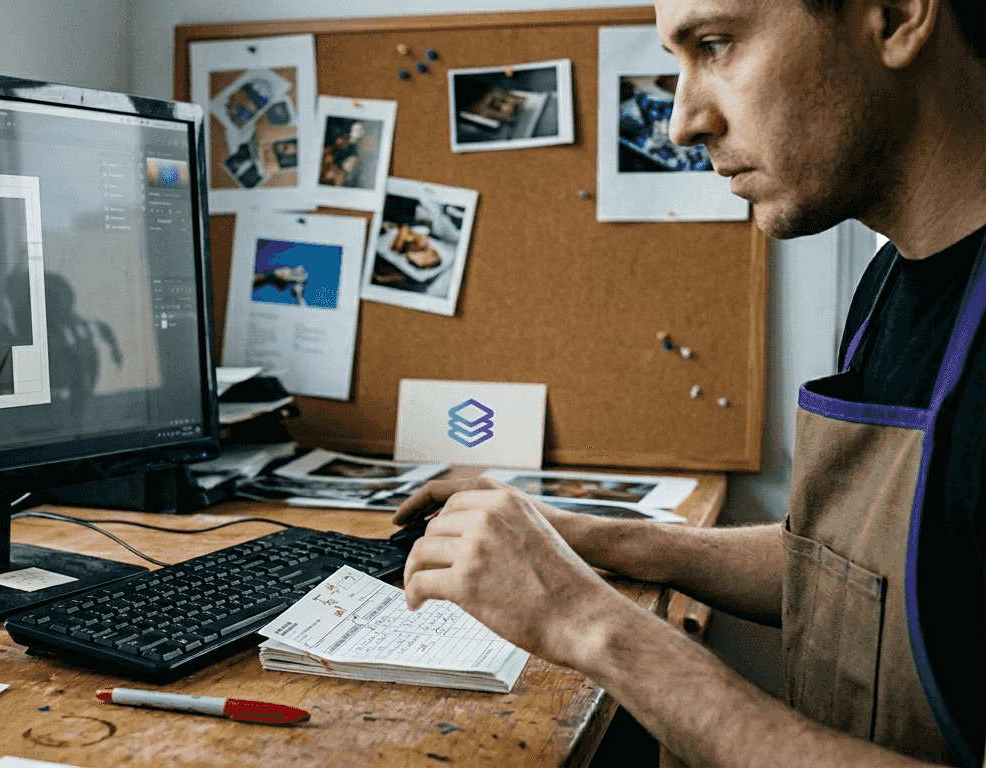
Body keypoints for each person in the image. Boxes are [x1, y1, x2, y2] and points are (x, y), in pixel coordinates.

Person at [394, 0, 986, 765]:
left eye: (716, 45)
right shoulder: (891, 282)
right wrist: (593, 541)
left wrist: (589, 621)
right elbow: (862, 567)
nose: (682, 122)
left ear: (899, 14)